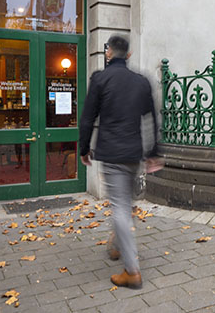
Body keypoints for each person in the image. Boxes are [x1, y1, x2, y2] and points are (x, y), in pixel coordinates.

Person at [79, 34, 162, 289]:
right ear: (128, 54)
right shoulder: (141, 81)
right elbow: (151, 118)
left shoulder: (100, 79)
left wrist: (84, 148)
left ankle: (132, 271)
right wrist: (153, 152)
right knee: (124, 204)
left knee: (120, 209)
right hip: (134, 154)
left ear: (108, 53)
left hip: (112, 154)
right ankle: (117, 245)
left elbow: (87, 116)